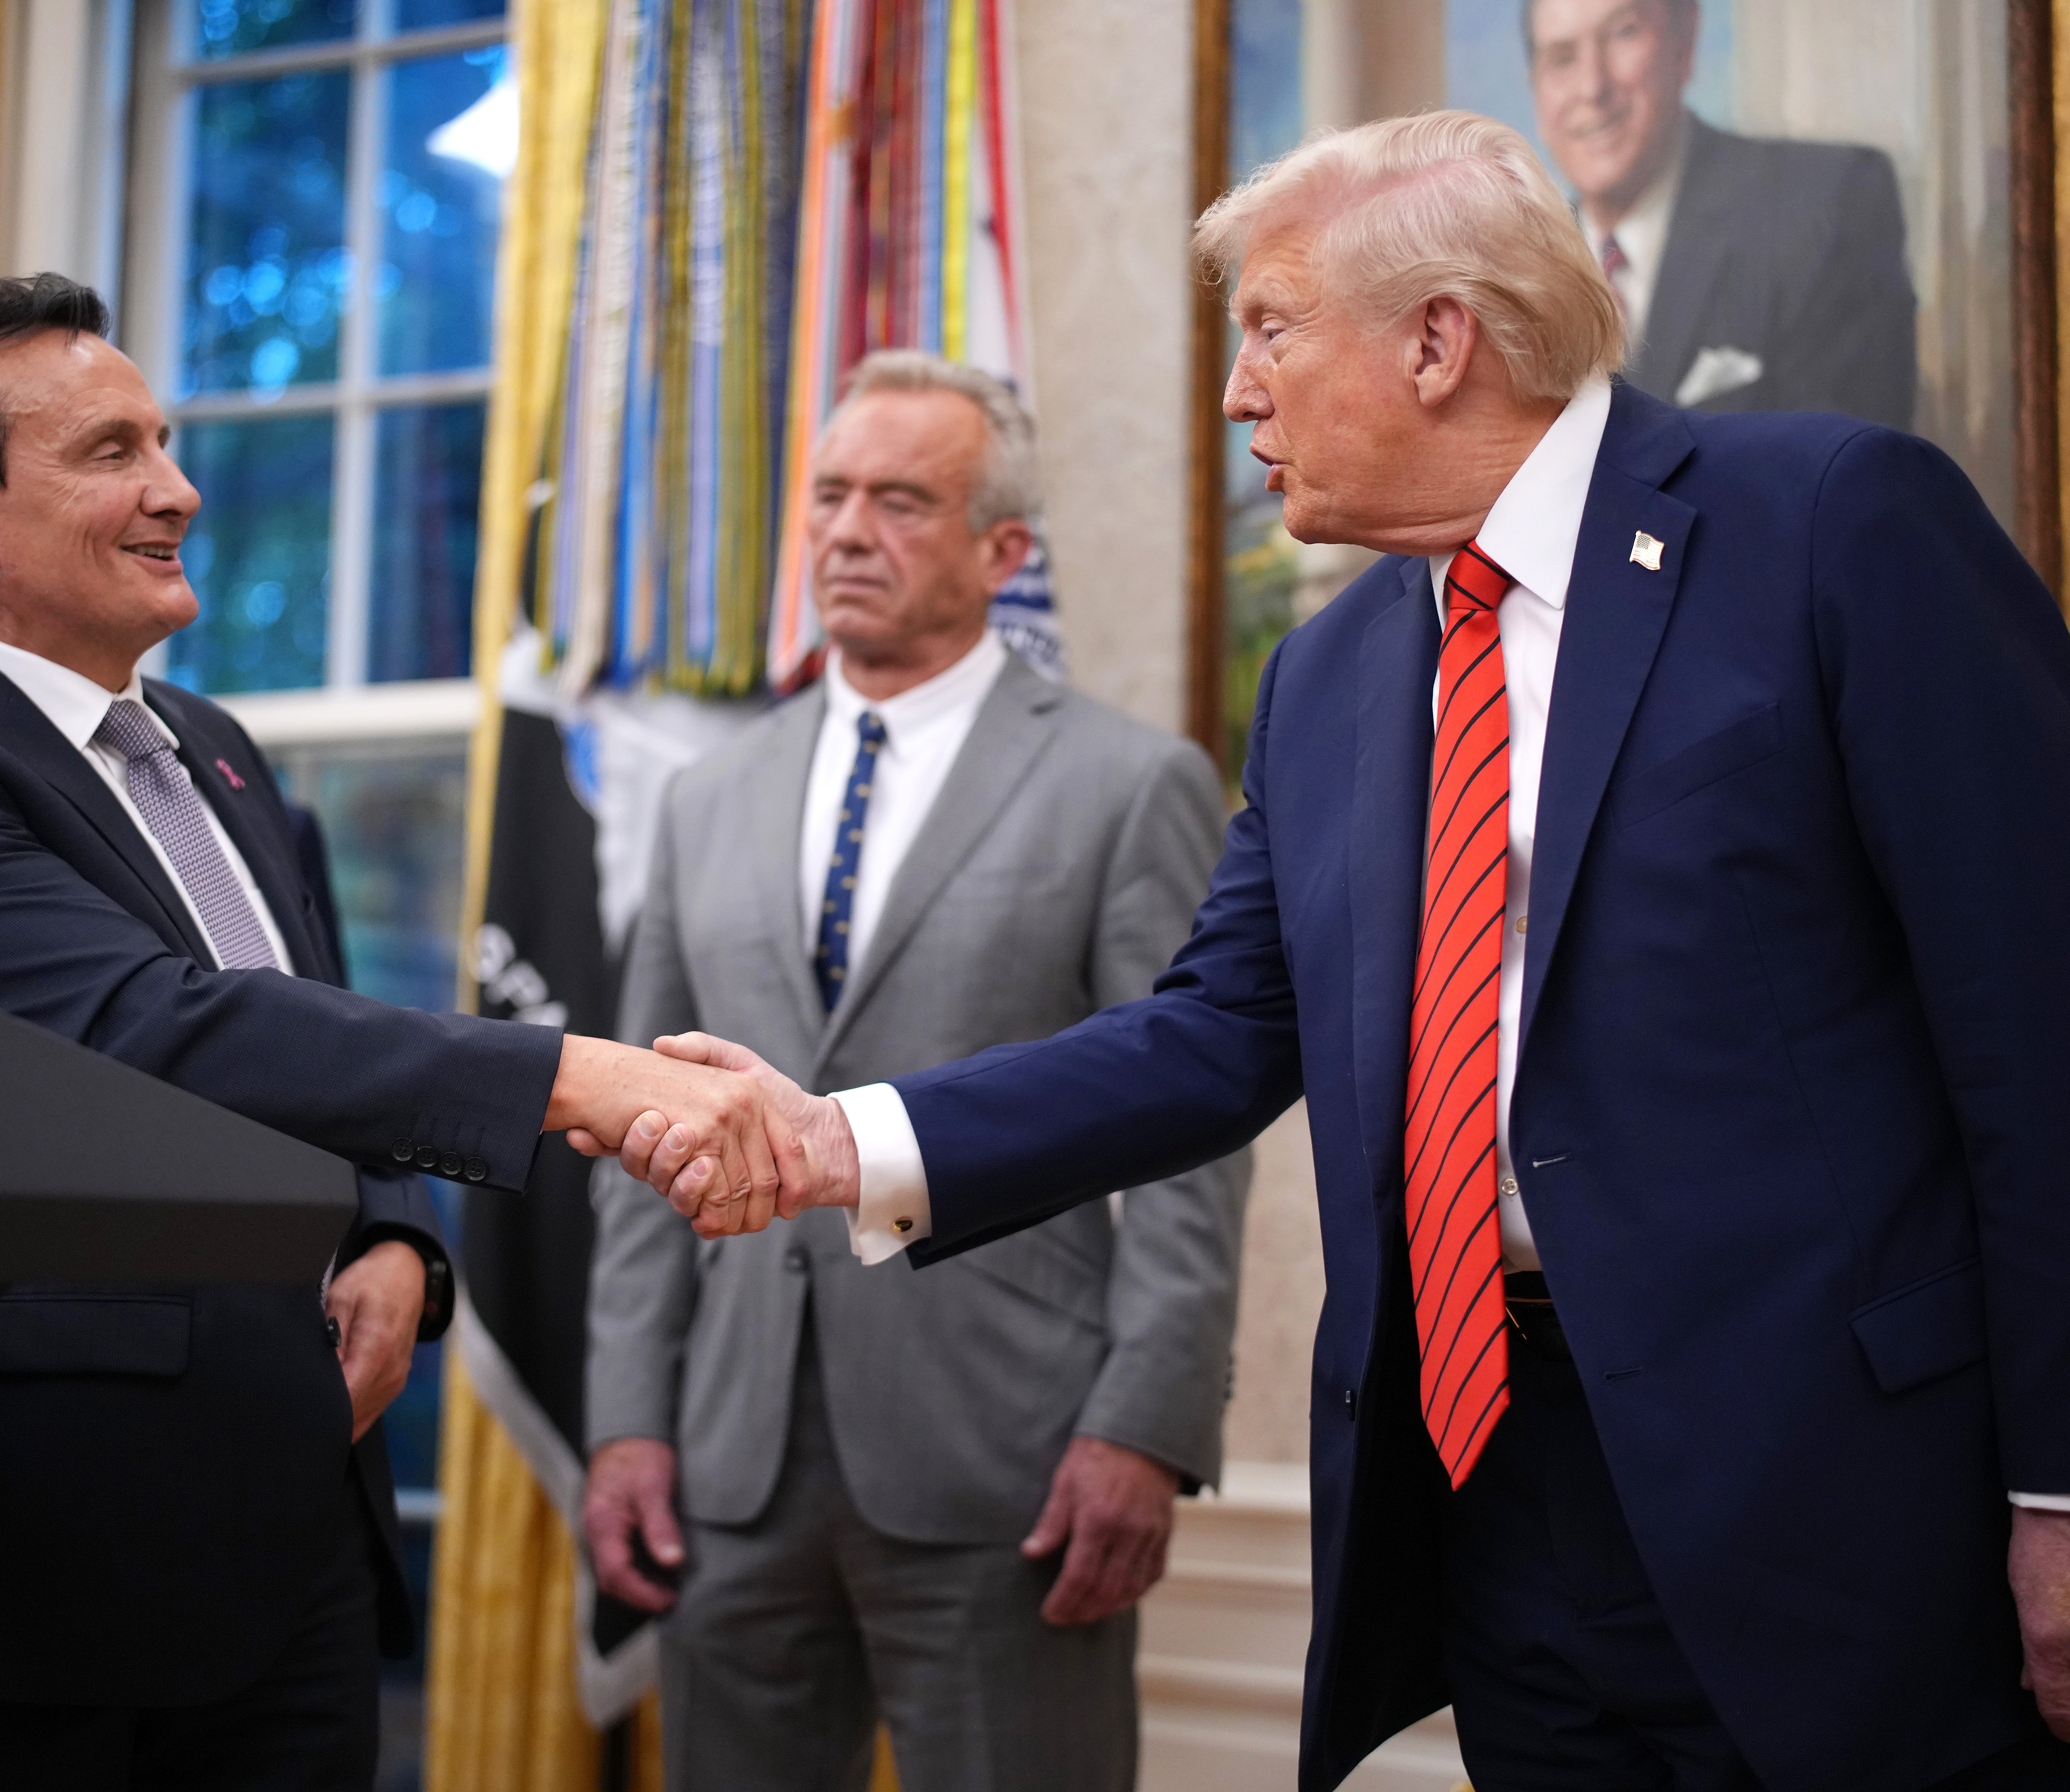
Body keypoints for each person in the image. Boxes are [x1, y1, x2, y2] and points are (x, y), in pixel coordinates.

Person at [593, 114, 2070, 1790]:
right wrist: (837, 1138)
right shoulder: (1333, 677)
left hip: (1844, 1491)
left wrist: (2064, 1484)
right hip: (1496, 1495)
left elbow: (2042, 1030)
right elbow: (1210, 1039)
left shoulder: (1824, 526)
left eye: (1272, 330)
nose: (1239, 396)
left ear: (1439, 340)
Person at [0, 273, 797, 1790]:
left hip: (291, 1539)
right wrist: (576, 1076)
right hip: (25, 1568)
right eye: (111, 452)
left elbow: (305, 1027)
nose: (177, 488)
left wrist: (392, 1235)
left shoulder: (216, 752)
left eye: (164, 442)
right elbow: (145, 1028)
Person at [582, 352, 1248, 1792]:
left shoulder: (1129, 786)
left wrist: (1144, 1424)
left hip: (1009, 1457)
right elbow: (645, 1133)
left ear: (1002, 551)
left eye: (898, 501)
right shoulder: (708, 801)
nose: (842, 530)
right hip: (727, 1460)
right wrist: (628, 1411)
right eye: (828, 495)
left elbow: (1193, 1131)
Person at [1525, 0, 1917, 429]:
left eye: (1624, 33)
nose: (1592, 87)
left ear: (1685, 40)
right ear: (1536, 89)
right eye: (1562, 59)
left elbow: (1849, 480)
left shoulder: (1829, 205)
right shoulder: (1519, 272)